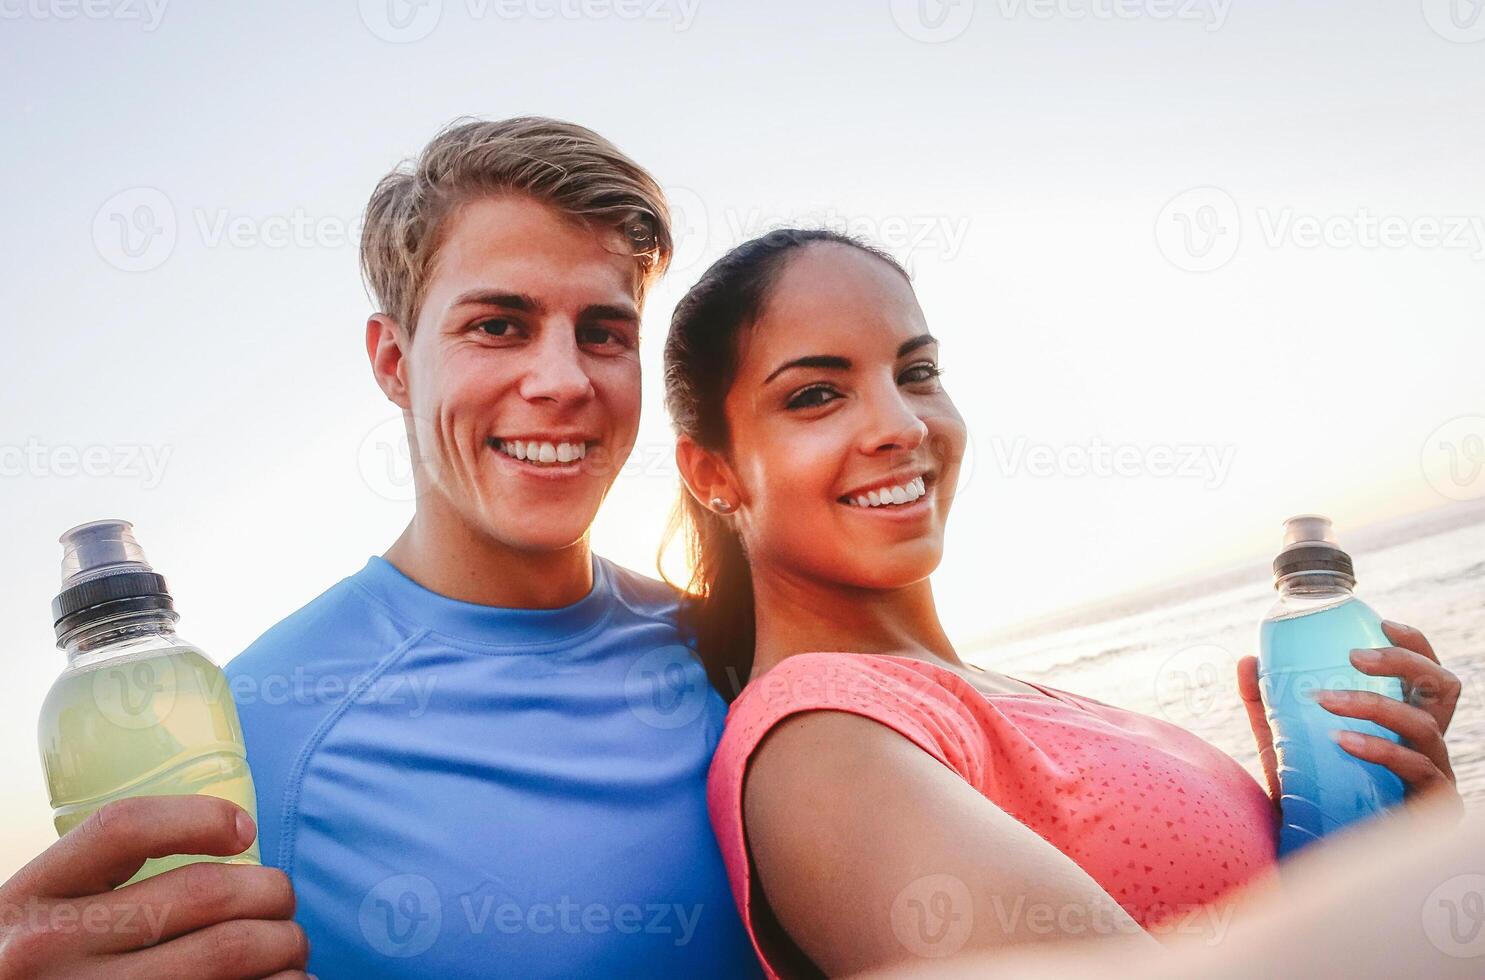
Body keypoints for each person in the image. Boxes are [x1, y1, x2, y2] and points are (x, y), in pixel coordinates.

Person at [0, 117, 759, 979]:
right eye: (499, 326)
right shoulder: (250, 734)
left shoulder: (733, 645)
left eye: (603, 332)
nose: (563, 380)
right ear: (393, 361)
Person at [661, 228, 1464, 978]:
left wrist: (1374, 829)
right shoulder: (819, 747)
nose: (900, 425)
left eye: (916, 373)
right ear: (713, 475)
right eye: (815, 396)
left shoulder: (983, 697)